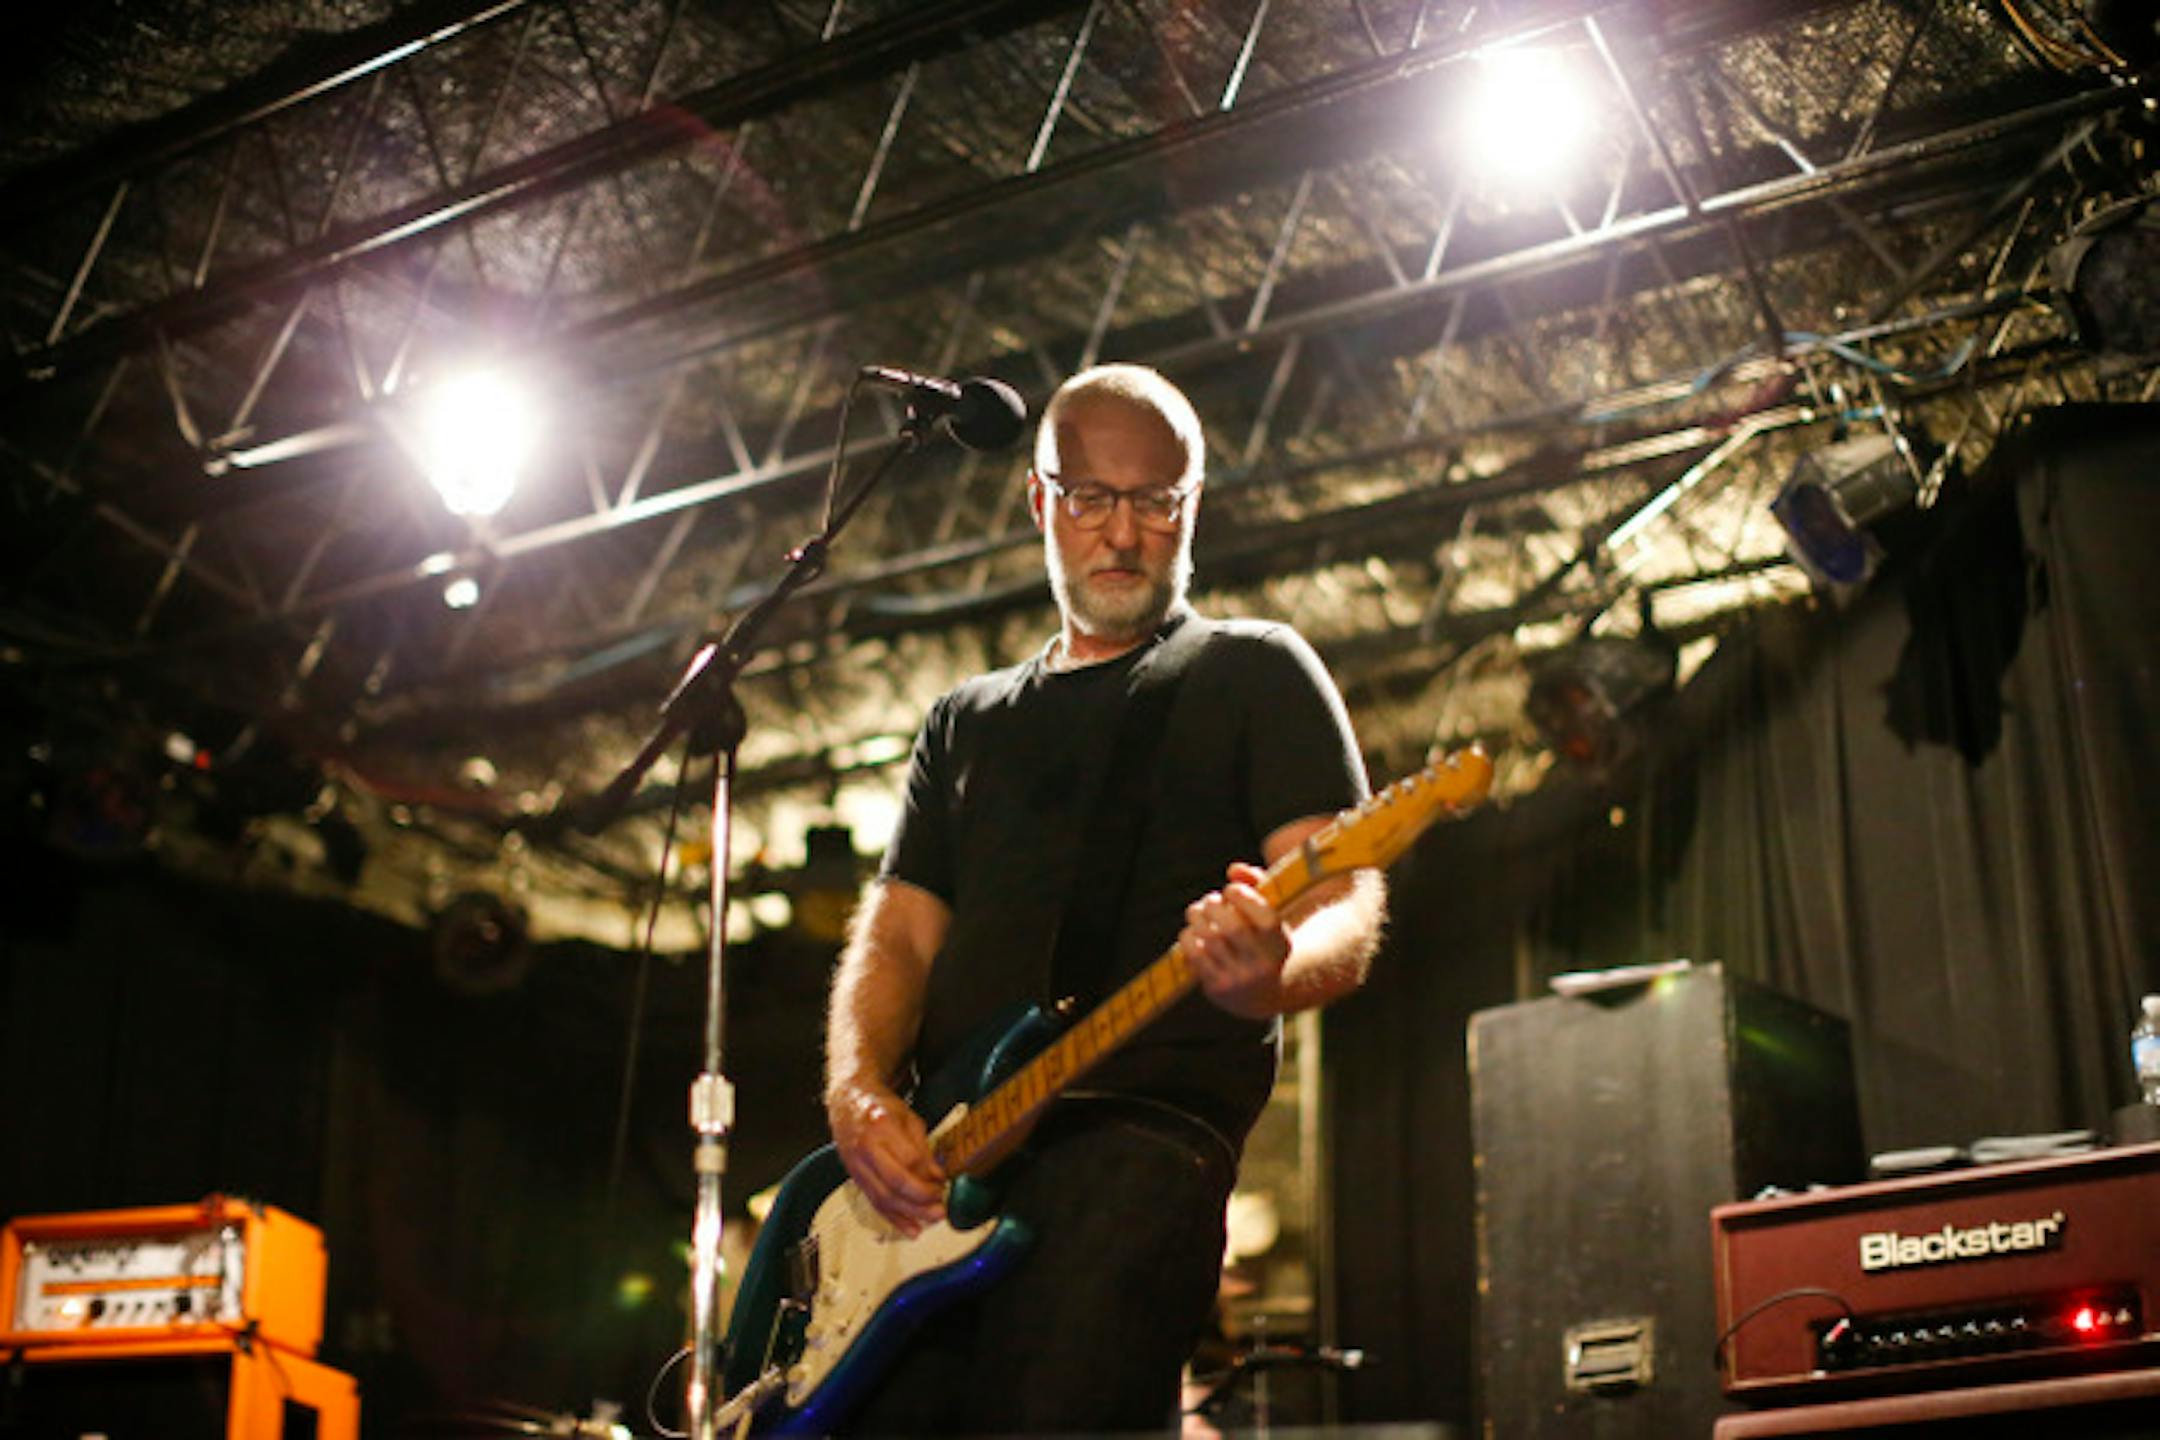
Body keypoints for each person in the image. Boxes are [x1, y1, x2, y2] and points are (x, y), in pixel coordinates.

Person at [823, 362, 1387, 1435]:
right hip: (938, 1174)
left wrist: (1269, 975)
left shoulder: (1253, 670)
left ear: (1192, 505)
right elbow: (896, 939)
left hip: (1134, 1148)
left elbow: (1345, 904)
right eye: (1090, 499)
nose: (1123, 534)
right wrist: (858, 1095)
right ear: (1039, 501)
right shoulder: (964, 721)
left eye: (1155, 502)